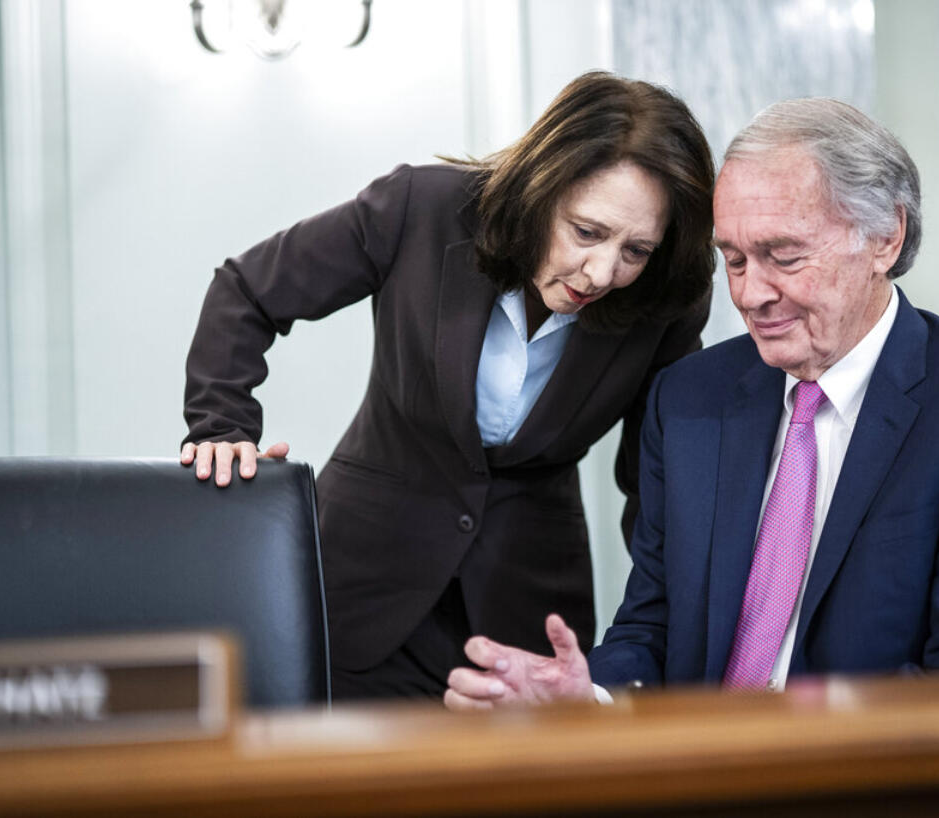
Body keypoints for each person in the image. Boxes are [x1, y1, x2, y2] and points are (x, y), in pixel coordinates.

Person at [444, 97, 939, 710]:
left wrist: (773, 749)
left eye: (784, 256)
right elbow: (653, 632)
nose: (751, 294)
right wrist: (589, 697)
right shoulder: (688, 399)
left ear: (885, 237)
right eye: (734, 260)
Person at [179, 72, 717, 700]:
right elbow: (247, 292)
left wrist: (675, 631)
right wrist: (223, 426)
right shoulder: (423, 208)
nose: (601, 272)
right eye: (587, 232)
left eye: (636, 250)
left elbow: (652, 483)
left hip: (526, 618)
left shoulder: (665, 300)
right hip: (362, 589)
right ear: (541, 186)